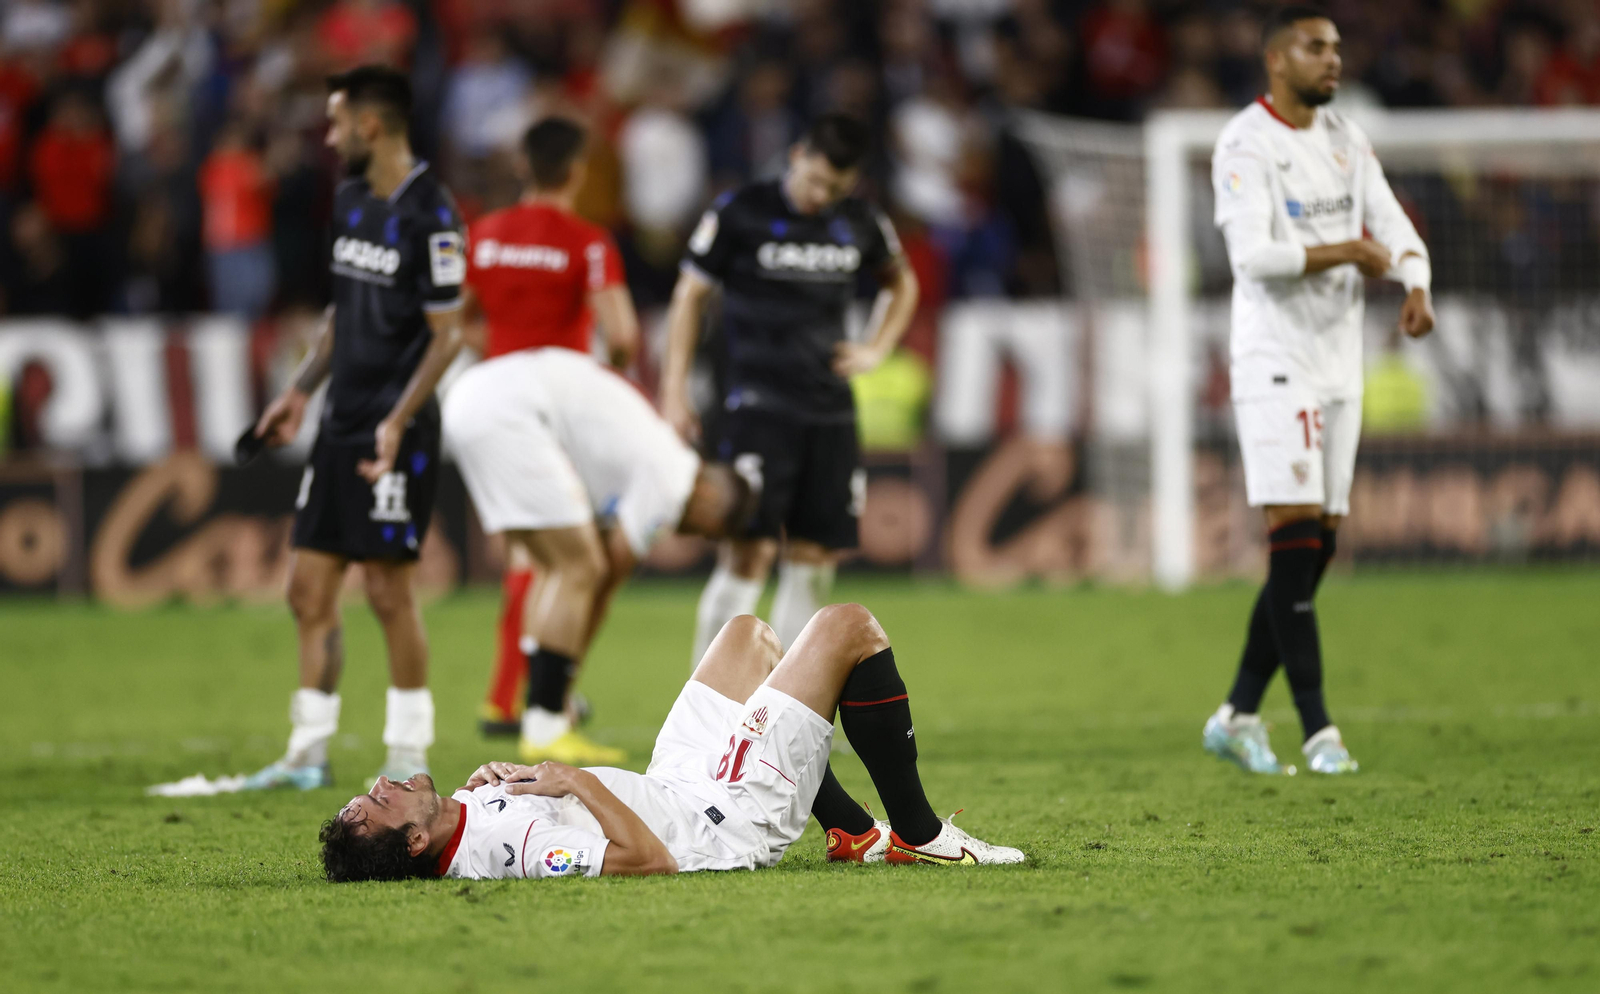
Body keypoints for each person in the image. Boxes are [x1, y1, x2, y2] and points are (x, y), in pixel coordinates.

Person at [317, 604, 1025, 881]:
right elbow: (644, 860)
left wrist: (504, 781)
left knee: (748, 635)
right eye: (374, 808)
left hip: (674, 784)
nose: (378, 786)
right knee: (847, 628)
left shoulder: (464, 819)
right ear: (412, 844)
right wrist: (574, 779)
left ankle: (848, 831)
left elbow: (530, 809)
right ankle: (918, 834)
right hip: (721, 818)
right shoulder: (522, 854)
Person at [1203, 6, 1434, 775]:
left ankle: (1236, 713)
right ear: (1276, 58)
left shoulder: (1344, 138)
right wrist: (1347, 252)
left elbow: (1391, 218)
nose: (1333, 59)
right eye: (1315, 46)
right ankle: (1318, 730)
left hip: (1340, 366)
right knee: (1295, 536)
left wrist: (1415, 279)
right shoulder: (1245, 143)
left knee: (1316, 549)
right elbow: (1253, 257)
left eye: (1336, 47)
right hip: (1277, 360)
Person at [244, 66, 468, 790]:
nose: (330, 134)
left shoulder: (433, 213)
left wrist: (399, 419)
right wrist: (299, 391)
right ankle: (307, 751)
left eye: (337, 122)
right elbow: (342, 312)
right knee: (308, 589)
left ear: (371, 126)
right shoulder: (348, 200)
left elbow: (448, 335)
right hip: (341, 424)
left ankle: (408, 754)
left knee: (386, 592)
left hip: (395, 432)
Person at [660, 114, 920, 667]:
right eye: (815, 180)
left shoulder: (859, 220)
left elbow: (902, 282)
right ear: (797, 154)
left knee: (814, 557)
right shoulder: (742, 210)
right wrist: (674, 391)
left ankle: (780, 711)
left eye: (836, 188)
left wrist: (876, 348)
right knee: (747, 552)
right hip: (755, 405)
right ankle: (705, 714)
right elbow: (689, 296)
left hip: (829, 411)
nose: (820, 196)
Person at [443, 346, 755, 765]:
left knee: (558, 567)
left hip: (478, 399)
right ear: (710, 494)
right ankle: (545, 723)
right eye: (706, 529)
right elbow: (608, 574)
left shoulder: (659, 451)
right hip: (508, 415)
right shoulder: (671, 482)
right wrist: (569, 677)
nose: (689, 535)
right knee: (580, 567)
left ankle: (538, 709)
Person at [461, 116, 639, 738]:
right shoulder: (586, 242)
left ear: (522, 166)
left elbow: (458, 320)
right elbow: (623, 335)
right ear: (577, 171)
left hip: (492, 405)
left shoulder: (481, 236)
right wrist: (602, 371)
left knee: (529, 556)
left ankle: (509, 697)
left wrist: (498, 355)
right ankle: (532, 701)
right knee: (574, 561)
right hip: (558, 412)